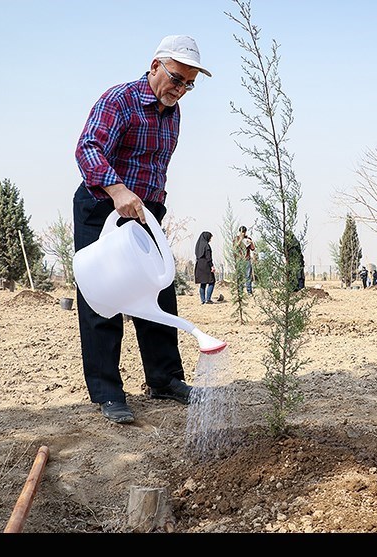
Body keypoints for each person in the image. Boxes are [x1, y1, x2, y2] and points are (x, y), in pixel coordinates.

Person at [73, 34, 211, 424]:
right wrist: (118, 190)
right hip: (103, 205)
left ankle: (165, 379)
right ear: (155, 66)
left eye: (189, 85)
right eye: (177, 78)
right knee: (103, 296)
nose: (181, 90)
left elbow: (155, 167)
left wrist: (153, 206)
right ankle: (108, 392)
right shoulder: (120, 100)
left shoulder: (173, 113)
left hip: (145, 211)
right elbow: (88, 148)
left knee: (160, 292)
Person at [194, 231, 216, 304]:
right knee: (212, 282)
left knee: (203, 283)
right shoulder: (206, 246)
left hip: (199, 266)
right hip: (206, 266)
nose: (210, 239)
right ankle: (208, 299)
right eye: (210, 238)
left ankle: (203, 300)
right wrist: (212, 266)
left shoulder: (198, 246)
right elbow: (208, 258)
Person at [235, 226, 256, 294]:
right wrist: (240, 240)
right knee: (240, 276)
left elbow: (253, 248)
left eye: (244, 232)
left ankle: (249, 291)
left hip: (247, 259)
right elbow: (235, 248)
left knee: (248, 276)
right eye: (242, 232)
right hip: (239, 260)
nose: (243, 233)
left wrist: (251, 242)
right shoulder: (236, 238)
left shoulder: (248, 238)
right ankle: (240, 292)